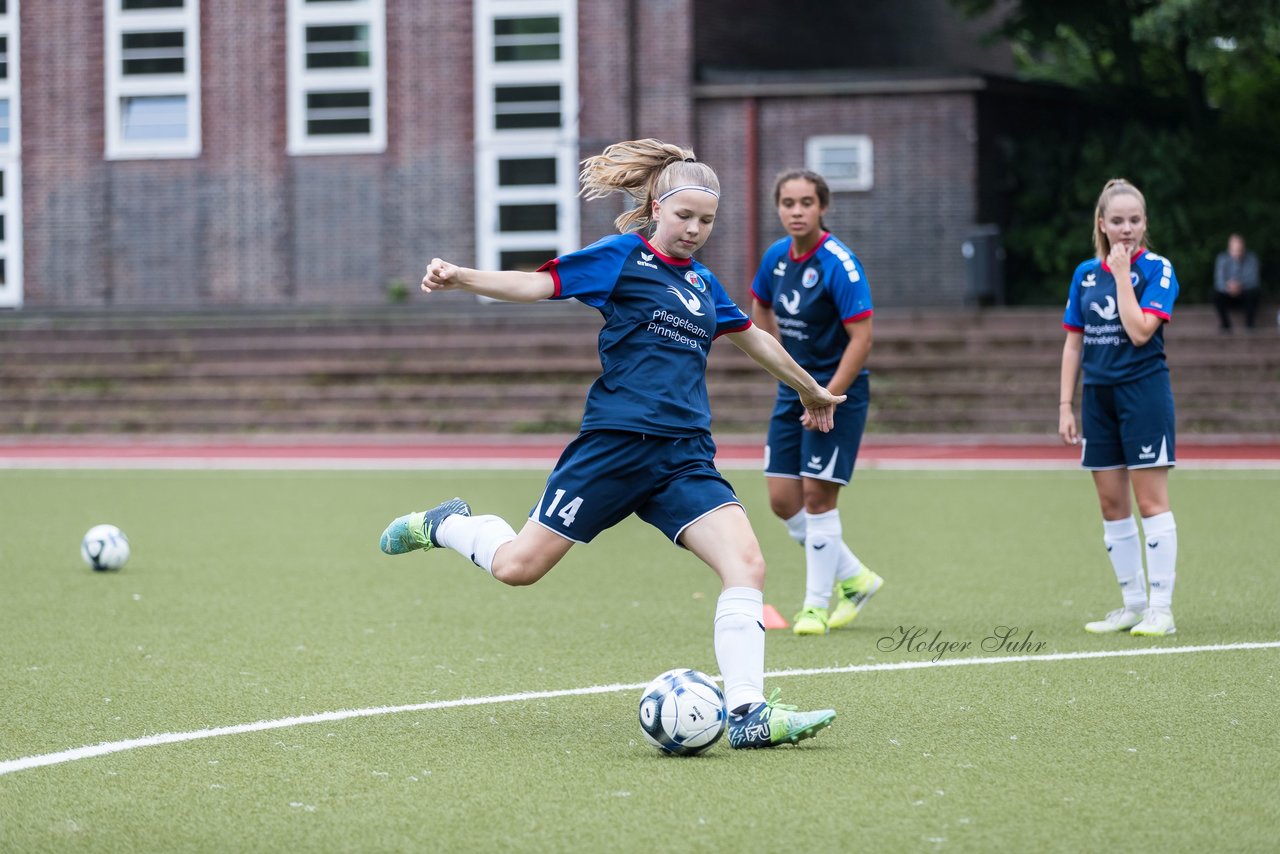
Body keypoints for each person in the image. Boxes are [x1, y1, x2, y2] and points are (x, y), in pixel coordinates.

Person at [379, 139, 843, 749]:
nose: (695, 230)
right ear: (655, 207)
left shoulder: (703, 283)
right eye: (685, 217)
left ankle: (749, 712)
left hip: (682, 458)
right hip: (615, 448)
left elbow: (753, 338)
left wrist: (812, 390)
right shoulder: (622, 257)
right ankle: (447, 524)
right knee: (518, 567)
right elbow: (538, 286)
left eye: (707, 220)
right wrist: (462, 276)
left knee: (747, 565)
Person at [748, 169, 883, 636]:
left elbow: (861, 339)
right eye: (788, 203)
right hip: (794, 388)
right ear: (779, 208)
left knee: (817, 497)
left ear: (822, 207)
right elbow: (759, 310)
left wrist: (824, 395)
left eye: (806, 202)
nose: (796, 211)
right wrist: (780, 360)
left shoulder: (839, 264)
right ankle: (856, 579)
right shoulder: (775, 259)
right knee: (784, 501)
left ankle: (814, 607)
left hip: (836, 392)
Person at [1059, 178, 1181, 637]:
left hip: (1143, 394)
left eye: (1134, 220)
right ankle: (1132, 604)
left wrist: (1123, 274)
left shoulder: (1158, 270)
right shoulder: (1084, 275)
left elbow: (1139, 332)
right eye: (1117, 221)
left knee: (1150, 502)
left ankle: (1161, 611)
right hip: (1099, 400)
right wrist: (1066, 404)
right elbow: (1074, 345)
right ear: (1102, 224)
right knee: (1112, 504)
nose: (1126, 229)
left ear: (1144, 223)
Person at [1213, 233, 1261, 332]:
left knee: (1254, 292)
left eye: (1240, 249)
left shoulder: (1252, 259)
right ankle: (1225, 324)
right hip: (1228, 294)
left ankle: (1250, 324)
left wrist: (1239, 286)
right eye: (1235, 250)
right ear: (1229, 249)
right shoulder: (1222, 259)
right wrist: (1229, 287)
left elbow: (1253, 279)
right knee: (1215, 294)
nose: (1238, 253)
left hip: (1245, 293)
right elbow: (1219, 280)